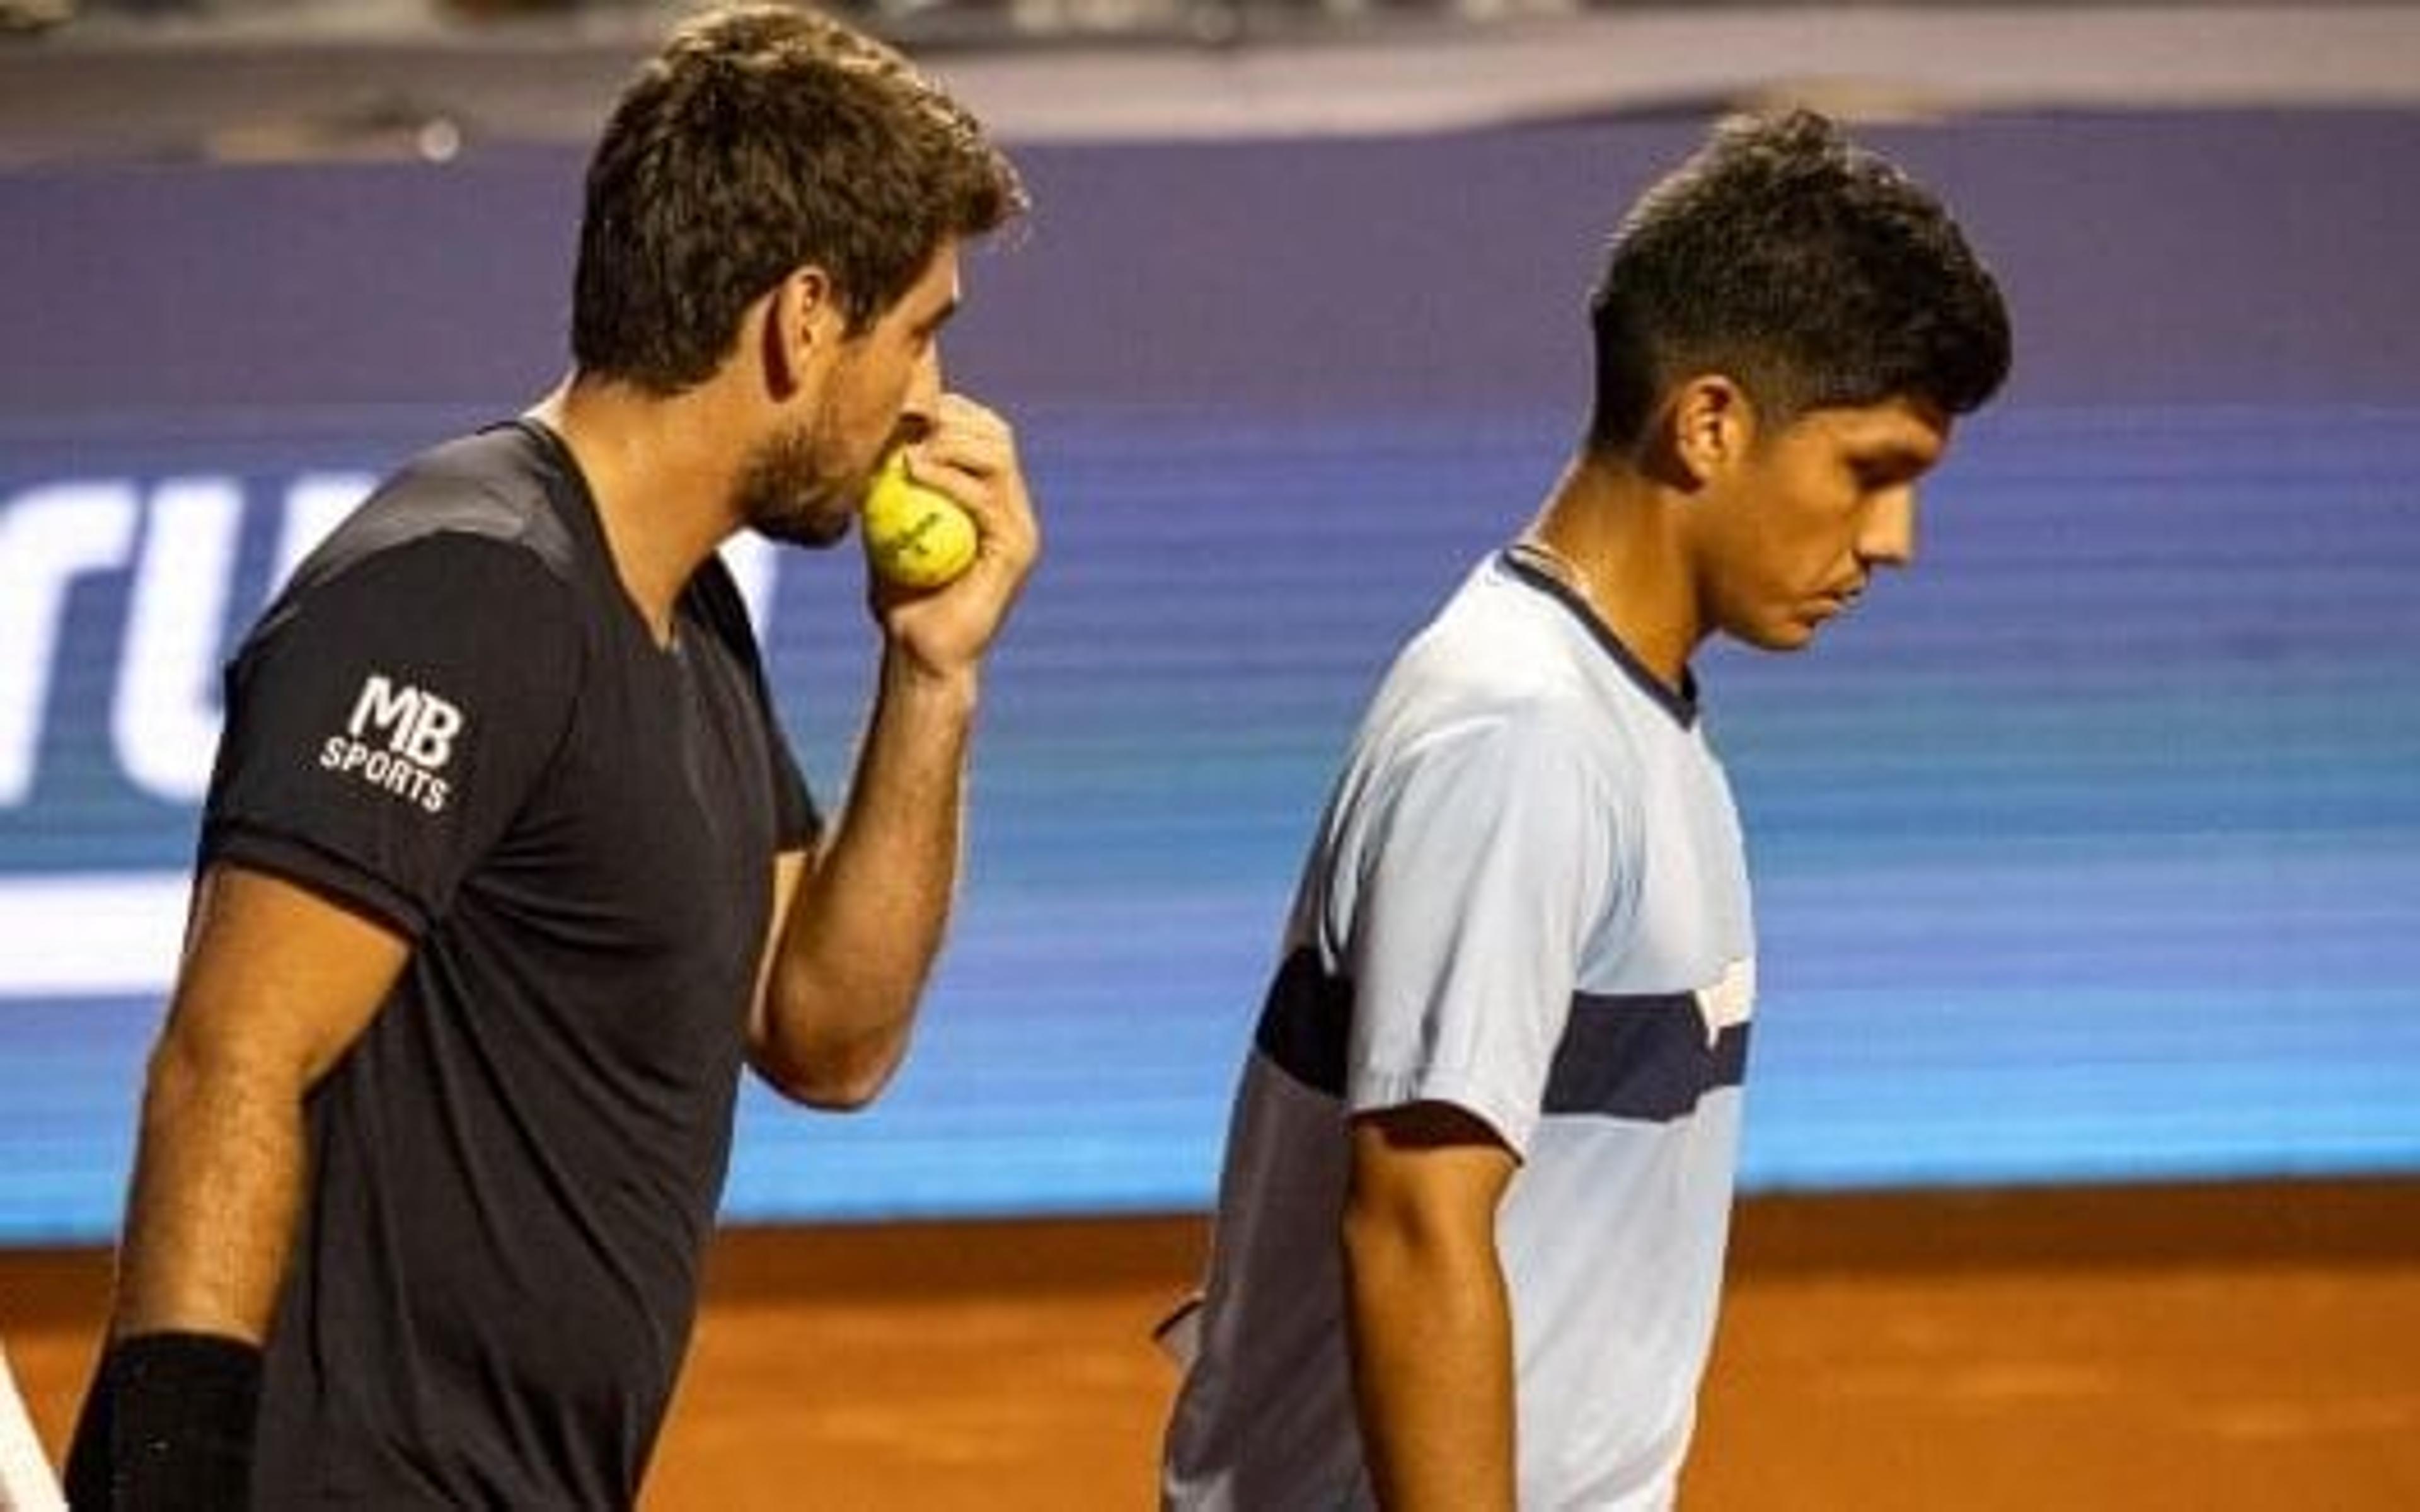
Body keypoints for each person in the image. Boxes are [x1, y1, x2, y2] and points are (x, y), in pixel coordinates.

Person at [63, 5, 1034, 1506]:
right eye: (921, 333)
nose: (931, 403)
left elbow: (827, 1035)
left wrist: (935, 671)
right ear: (802, 317)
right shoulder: (461, 589)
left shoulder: (685, 610)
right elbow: (230, 1059)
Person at [1161, 110, 2011, 1510]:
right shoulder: (1524, 736)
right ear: (1712, 421)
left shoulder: (1616, 711)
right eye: (1873, 472)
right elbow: (1416, 1230)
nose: (1893, 542)